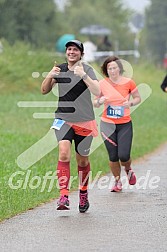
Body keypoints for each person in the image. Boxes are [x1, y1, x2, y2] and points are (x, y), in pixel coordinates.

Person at [41, 40, 100, 212]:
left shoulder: (87, 69)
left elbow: (97, 91)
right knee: (64, 153)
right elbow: (44, 90)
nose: (71, 52)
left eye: (75, 49)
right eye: (69, 49)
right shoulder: (60, 69)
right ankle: (64, 196)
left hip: (84, 120)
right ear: (66, 52)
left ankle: (83, 193)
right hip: (63, 118)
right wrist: (50, 75)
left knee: (82, 160)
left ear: (81, 54)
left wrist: (83, 75)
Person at [94, 56, 141, 192]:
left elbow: (138, 98)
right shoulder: (102, 84)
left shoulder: (129, 82)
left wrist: (130, 103)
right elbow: (95, 103)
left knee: (124, 155)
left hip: (124, 124)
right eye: (109, 68)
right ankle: (117, 182)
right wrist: (100, 101)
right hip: (107, 124)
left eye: (114, 68)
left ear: (119, 69)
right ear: (106, 70)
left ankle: (128, 169)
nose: (112, 70)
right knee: (113, 155)